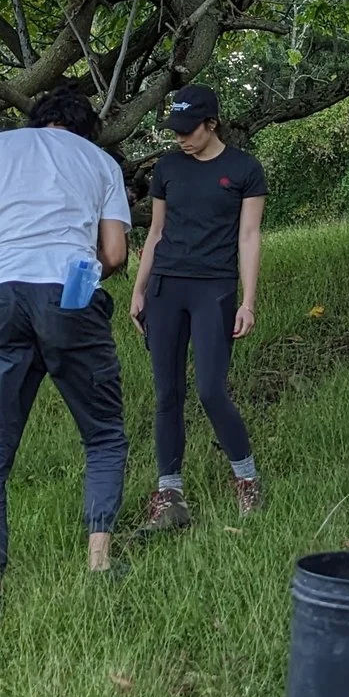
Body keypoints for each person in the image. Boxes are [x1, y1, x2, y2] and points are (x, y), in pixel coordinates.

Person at [0, 86, 132, 607]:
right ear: (84, 126)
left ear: (39, 119)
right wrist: (83, 274)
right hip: (68, 294)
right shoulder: (100, 162)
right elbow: (114, 252)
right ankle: (99, 564)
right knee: (103, 434)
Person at [127, 83, 267, 530]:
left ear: (212, 124)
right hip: (167, 288)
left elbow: (249, 237)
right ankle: (169, 495)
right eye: (176, 130)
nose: (181, 138)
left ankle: (247, 480)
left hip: (215, 289)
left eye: (190, 129)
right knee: (167, 393)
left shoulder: (245, 169)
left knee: (210, 389)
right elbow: (155, 233)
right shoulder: (168, 168)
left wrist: (247, 301)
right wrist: (139, 289)